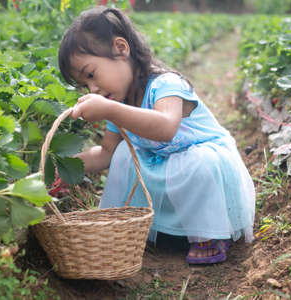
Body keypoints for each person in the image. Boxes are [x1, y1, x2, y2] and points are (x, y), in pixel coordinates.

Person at [57, 6, 255, 264]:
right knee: (124, 157)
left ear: (121, 48)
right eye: (85, 85)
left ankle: (208, 231)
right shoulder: (120, 102)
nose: (93, 88)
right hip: (165, 167)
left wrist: (110, 109)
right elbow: (106, 153)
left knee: (200, 164)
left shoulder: (166, 84)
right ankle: (158, 227)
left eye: (91, 75)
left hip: (202, 165)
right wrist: (63, 167)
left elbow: (166, 127)